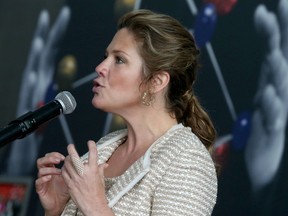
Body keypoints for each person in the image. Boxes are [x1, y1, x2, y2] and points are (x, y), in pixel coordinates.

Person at [35, 9, 218, 216]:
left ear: (156, 82)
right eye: (106, 57)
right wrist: (56, 208)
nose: (100, 67)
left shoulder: (187, 159)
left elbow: (95, 208)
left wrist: (95, 206)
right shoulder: (106, 147)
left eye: (119, 60)